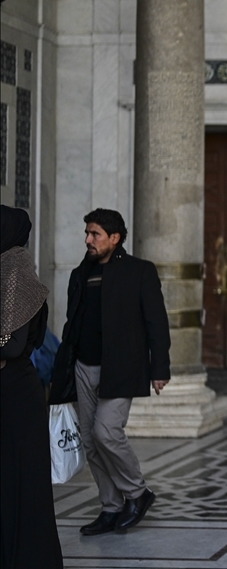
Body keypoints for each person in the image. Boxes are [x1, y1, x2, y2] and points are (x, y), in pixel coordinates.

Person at [49, 208, 171, 535]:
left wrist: (160, 368)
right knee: (90, 441)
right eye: (87, 233)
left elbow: (156, 323)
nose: (88, 240)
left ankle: (137, 493)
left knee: (107, 432)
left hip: (122, 367)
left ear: (114, 238)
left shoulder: (140, 272)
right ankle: (111, 506)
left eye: (95, 234)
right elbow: (72, 321)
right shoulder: (80, 273)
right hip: (82, 367)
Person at [0, 205, 64, 568]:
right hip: (9, 390)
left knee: (19, 486)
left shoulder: (15, 268)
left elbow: (10, 342)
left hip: (15, 396)